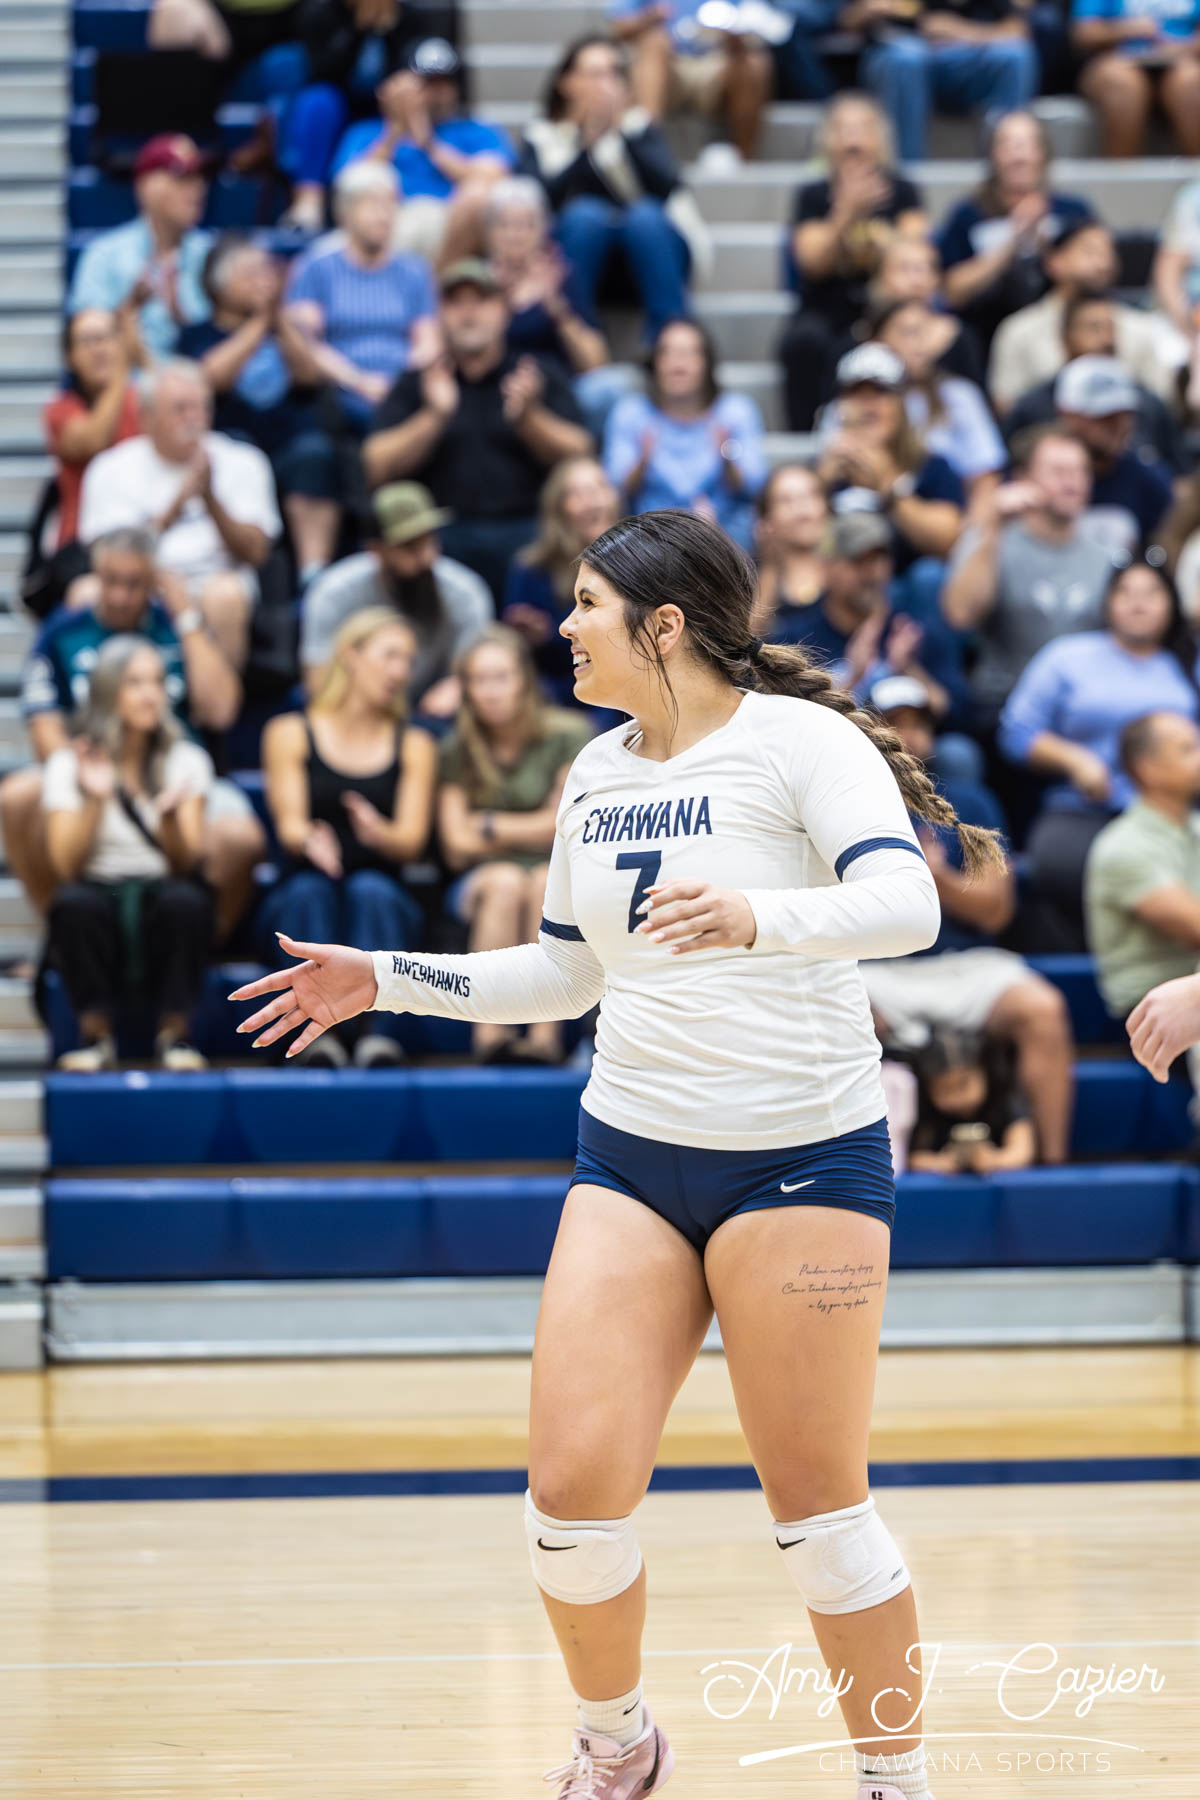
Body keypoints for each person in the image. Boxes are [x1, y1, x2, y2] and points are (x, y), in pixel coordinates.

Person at [232, 507, 1007, 1800]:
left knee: (820, 1514)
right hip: (634, 1158)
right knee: (569, 1506)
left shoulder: (799, 742)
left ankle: (894, 1780)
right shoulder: (594, 772)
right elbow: (564, 971)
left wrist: (756, 914)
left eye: (588, 604)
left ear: (664, 626)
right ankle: (619, 1746)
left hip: (801, 1159)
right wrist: (387, 977)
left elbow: (910, 904)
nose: (565, 627)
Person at [861, 673, 1074, 1161]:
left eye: (918, 723)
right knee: (826, 1007)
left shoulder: (972, 802)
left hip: (967, 964)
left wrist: (936, 878)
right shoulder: (843, 800)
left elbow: (997, 912)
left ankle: (1053, 1169)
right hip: (878, 970)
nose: (907, 735)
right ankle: (856, 1176)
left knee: (1042, 1010)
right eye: (893, 723)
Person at [8, 528, 261, 939]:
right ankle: (62, 937)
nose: (122, 595)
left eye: (135, 583)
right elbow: (45, 733)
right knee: (18, 795)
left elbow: (221, 711)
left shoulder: (175, 627)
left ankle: (196, 946)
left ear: (154, 580)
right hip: (92, 772)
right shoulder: (61, 632)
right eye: (111, 581)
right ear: (95, 577)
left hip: (176, 773)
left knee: (241, 837)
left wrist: (188, 617)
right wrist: (91, 782)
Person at [260, 608, 436, 1067]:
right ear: (351, 655)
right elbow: (289, 825)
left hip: (383, 890)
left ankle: (378, 1037)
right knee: (309, 892)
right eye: (390, 656)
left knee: (372, 892)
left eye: (408, 661)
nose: (401, 671)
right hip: (304, 884)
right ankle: (313, 1037)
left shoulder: (414, 743)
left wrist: (380, 833)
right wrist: (309, 838)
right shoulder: (289, 731)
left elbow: (411, 841)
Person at [362, 259, 593, 603]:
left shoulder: (535, 374)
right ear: (440, 313)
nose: (468, 313)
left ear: (503, 310)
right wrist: (433, 416)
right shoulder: (419, 381)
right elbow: (374, 465)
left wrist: (531, 419)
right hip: (441, 540)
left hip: (528, 532)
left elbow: (582, 454)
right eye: (456, 302)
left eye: (481, 300)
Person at [1000, 558, 1200, 950]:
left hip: (1172, 813)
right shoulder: (1068, 656)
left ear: (1171, 604)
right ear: (1107, 602)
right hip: (1083, 808)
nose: (1138, 603)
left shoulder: (1186, 662)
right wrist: (1074, 759)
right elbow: (1015, 730)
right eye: (1125, 592)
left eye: (1152, 593)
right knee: (1065, 863)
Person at [44, 636, 215, 1072]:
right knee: (72, 905)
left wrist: (171, 820)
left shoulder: (187, 759)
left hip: (161, 887)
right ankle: (94, 1037)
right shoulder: (69, 763)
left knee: (187, 902)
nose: (150, 694)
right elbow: (65, 866)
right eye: (135, 683)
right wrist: (95, 799)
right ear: (107, 690)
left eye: (157, 681)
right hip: (99, 888)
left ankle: (176, 1036)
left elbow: (185, 864)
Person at [438, 627, 594, 1064]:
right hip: (478, 882)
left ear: (523, 680)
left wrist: (487, 824)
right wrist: (532, 825)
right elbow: (455, 845)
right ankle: (490, 1037)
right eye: (478, 680)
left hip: (553, 870)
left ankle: (544, 1038)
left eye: (501, 677)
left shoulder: (568, 733)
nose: (490, 692)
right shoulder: (456, 748)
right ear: (465, 688)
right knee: (506, 882)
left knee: (544, 880)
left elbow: (563, 825)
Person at [77, 359, 282, 673]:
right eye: (180, 409)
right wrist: (175, 508)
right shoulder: (110, 468)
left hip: (216, 580)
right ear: (147, 418)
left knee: (225, 596)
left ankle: (220, 700)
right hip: (140, 582)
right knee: (85, 593)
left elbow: (257, 553)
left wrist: (211, 499)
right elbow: (105, 555)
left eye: (201, 407)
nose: (194, 418)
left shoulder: (244, 461)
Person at [516, 35, 711, 340]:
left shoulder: (638, 128)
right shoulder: (542, 136)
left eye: (614, 74)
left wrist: (621, 133)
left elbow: (668, 188)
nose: (606, 85)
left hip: (650, 254)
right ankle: (579, 342)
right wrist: (586, 144)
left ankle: (670, 342)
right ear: (566, 83)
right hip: (577, 262)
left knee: (645, 217)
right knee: (585, 215)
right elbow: (537, 203)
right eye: (596, 74)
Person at [180, 233, 343, 584]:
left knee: (315, 454)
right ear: (219, 285)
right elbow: (210, 378)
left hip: (287, 446)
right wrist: (259, 323)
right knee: (233, 451)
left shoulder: (286, 329)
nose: (263, 282)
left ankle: (313, 574)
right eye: (251, 273)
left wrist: (278, 320)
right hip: (233, 446)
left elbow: (309, 374)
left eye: (267, 272)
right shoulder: (197, 335)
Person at [941, 424, 1121, 736]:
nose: (1073, 482)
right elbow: (960, 615)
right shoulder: (991, 539)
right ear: (1023, 478)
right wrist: (993, 525)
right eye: (1059, 471)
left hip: (1084, 709)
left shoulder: (1108, 553)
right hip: (1002, 708)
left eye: (1081, 471)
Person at [779, 92, 926, 431]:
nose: (853, 141)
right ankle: (806, 434)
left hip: (885, 307)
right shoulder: (813, 195)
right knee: (802, 343)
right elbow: (811, 261)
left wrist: (884, 245)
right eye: (843, 130)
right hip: (826, 308)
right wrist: (846, 211)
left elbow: (914, 252)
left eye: (862, 129)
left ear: (880, 139)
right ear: (828, 141)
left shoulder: (903, 192)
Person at [300, 482, 493, 713]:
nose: (425, 556)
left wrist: (458, 686)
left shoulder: (465, 592)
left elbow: (479, 670)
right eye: (409, 546)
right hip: (358, 708)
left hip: (434, 714)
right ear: (376, 549)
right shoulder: (335, 591)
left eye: (429, 540)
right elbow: (318, 682)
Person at [325, 37, 515, 264]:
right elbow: (347, 185)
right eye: (426, 84)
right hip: (388, 222)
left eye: (444, 83)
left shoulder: (478, 131)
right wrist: (394, 132)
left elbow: (493, 178)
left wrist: (428, 143)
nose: (436, 93)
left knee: (478, 195)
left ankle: (430, 282)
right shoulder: (366, 132)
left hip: (450, 227)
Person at [284, 160, 441, 434]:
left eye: (391, 204)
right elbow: (307, 343)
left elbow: (428, 342)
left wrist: (398, 385)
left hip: (401, 392)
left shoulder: (415, 270)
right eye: (373, 204)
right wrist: (358, 381)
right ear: (344, 211)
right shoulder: (317, 267)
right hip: (337, 392)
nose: (384, 215)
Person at [816, 342, 965, 619]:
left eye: (880, 392)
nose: (868, 405)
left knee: (930, 576)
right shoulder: (823, 470)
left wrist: (887, 486)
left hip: (909, 602)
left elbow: (950, 541)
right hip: (837, 596)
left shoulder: (931, 466)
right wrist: (821, 487)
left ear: (902, 403)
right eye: (855, 393)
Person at [483, 177, 631, 443]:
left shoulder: (561, 278)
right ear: (490, 233)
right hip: (493, 390)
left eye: (525, 225)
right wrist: (501, 301)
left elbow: (596, 362)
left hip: (559, 391)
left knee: (617, 386)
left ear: (542, 231)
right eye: (505, 225)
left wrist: (556, 308)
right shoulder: (475, 281)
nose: (515, 235)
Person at [936, 111, 1093, 358]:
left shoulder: (1073, 211)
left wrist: (1048, 249)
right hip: (984, 335)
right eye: (1008, 146)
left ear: (1044, 154)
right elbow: (952, 292)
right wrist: (1012, 241)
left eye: (1028, 145)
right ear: (992, 156)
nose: (1019, 157)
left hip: (1062, 335)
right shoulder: (968, 214)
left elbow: (1098, 274)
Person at [603, 317, 767, 551]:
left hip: (724, 526)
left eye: (689, 353)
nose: (678, 362)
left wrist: (727, 457)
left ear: (707, 363)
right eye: (668, 353)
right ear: (654, 363)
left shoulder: (735, 410)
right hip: (650, 531)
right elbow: (614, 485)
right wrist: (642, 462)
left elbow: (756, 484)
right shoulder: (632, 412)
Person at [988, 218, 1182, 413]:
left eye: (1109, 253)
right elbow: (1007, 406)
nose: (1102, 264)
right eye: (1090, 252)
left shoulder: (1143, 328)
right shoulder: (1018, 330)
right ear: (1054, 261)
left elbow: (1160, 406)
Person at [1086, 712, 1200, 1033]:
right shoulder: (1122, 846)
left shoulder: (1194, 826)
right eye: (1188, 749)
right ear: (1147, 768)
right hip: (1151, 1011)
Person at [1001, 291, 1188, 476]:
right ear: (1066, 339)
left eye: (1111, 329)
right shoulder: (1032, 408)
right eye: (1093, 328)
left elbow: (1181, 476)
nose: (1106, 340)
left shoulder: (1145, 403)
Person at [832, 300, 1006, 499]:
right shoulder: (845, 403)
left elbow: (986, 475)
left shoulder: (960, 396)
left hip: (944, 502)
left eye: (926, 333)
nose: (919, 343)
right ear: (877, 340)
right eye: (907, 333)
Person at [67, 134, 213, 358]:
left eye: (199, 178)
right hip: (126, 376)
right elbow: (86, 342)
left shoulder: (213, 253)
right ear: (145, 186)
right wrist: (129, 308)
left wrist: (183, 318)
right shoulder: (104, 254)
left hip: (201, 376)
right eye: (182, 178)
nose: (197, 189)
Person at [854, 0, 1038, 164]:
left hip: (964, 58)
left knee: (1017, 55)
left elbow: (1017, 29)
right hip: (904, 58)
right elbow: (849, 20)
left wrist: (960, 30)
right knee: (907, 59)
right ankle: (908, 173)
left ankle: (1007, 161)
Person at [503, 457, 622, 708]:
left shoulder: (641, 562)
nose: (593, 500)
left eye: (600, 488)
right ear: (558, 509)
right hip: (558, 692)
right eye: (578, 494)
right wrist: (536, 637)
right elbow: (514, 645)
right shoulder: (531, 569)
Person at [606, 0, 774, 160]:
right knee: (654, 43)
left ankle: (743, 161)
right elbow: (617, 27)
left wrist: (737, 34)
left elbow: (759, 22)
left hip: (718, 65)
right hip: (667, 67)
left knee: (754, 63)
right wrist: (648, 19)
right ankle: (647, 149)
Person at [45, 310, 144, 561]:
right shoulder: (60, 410)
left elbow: (173, 404)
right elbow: (93, 441)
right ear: (70, 357)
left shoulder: (141, 401)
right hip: (82, 546)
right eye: (87, 341)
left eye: (105, 338)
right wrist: (123, 368)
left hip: (139, 540)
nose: (98, 350)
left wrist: (141, 352)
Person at [1051, 356, 1174, 556]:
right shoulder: (1036, 473)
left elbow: (1164, 552)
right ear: (1067, 414)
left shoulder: (1148, 479)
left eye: (1125, 415)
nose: (1119, 426)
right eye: (1105, 417)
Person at [1072, 0, 1200, 157]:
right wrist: (1128, 29)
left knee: (1190, 81)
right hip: (1118, 59)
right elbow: (1085, 33)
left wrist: (1185, 47)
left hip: (1183, 60)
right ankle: (1121, 168)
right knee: (1122, 84)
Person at [906, 1028, 1036, 1174]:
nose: (956, 1098)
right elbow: (905, 1156)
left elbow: (1022, 1151)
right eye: (943, 1089)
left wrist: (994, 1160)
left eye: (963, 1085)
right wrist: (937, 1162)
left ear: (985, 1071)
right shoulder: (922, 1108)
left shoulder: (1004, 1095)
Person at [753, 462, 830, 629]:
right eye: (786, 500)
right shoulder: (750, 578)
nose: (802, 508)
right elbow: (749, 635)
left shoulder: (848, 565)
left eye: (811, 495)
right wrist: (770, 565)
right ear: (766, 520)